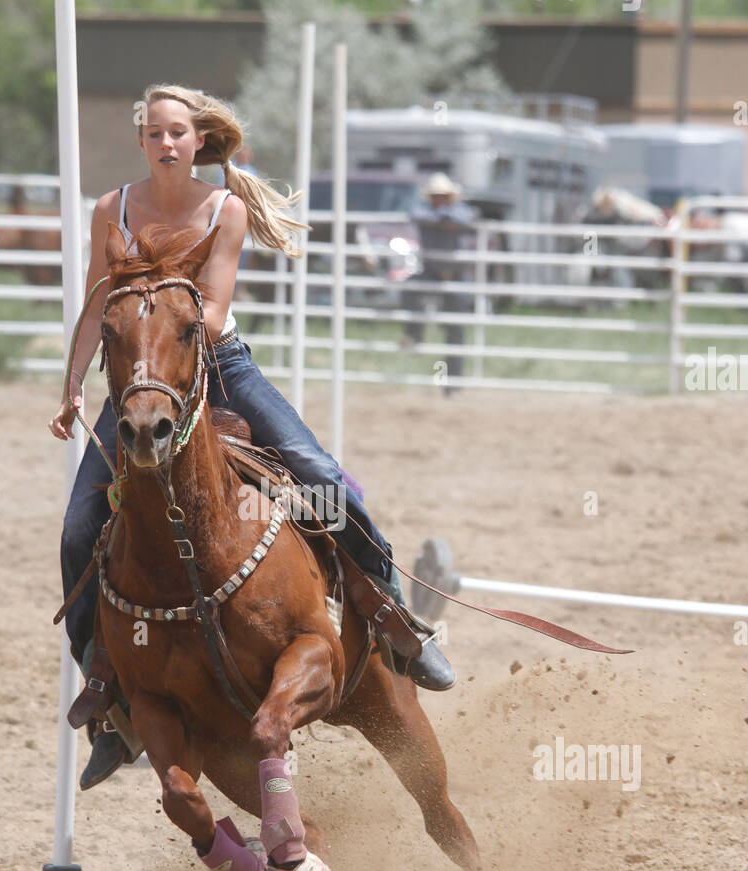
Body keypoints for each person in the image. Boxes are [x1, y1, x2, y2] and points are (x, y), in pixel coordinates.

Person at [49, 84, 455, 789]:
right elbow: (94, 307)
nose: (166, 143)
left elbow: (210, 313)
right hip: (142, 375)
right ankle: (105, 683)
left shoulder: (224, 209)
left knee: (318, 474)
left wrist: (163, 336)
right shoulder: (109, 211)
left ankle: (395, 619)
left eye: (178, 132)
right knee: (80, 526)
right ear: (142, 141)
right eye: (154, 133)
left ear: (200, 140)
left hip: (211, 361)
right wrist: (73, 385)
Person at [406, 173, 477, 379]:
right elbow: (415, 215)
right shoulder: (425, 210)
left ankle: (453, 380)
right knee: (409, 290)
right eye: (436, 195)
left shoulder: (458, 211)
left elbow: (468, 217)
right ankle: (414, 334)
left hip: (455, 274)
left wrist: (443, 218)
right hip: (432, 271)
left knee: (455, 328)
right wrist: (442, 219)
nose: (439, 199)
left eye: (443, 195)